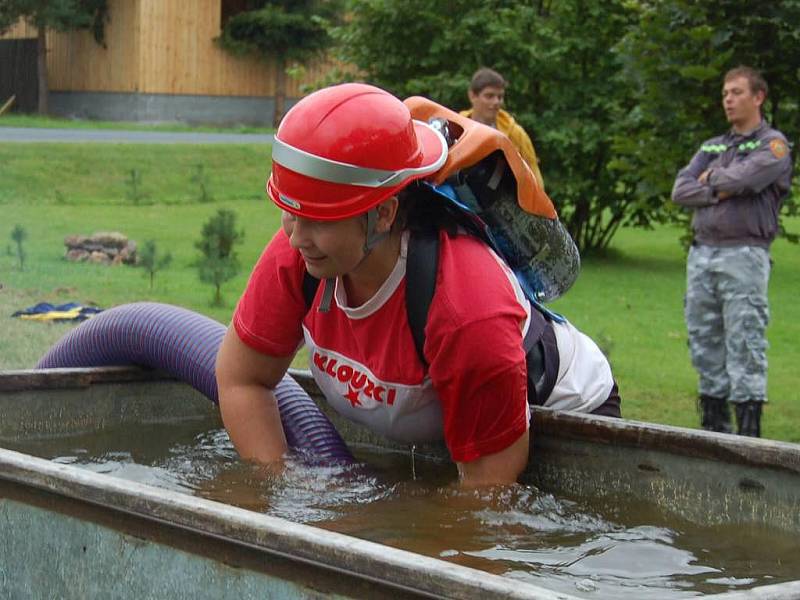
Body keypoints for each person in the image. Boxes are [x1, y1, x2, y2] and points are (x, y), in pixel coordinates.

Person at [216, 83, 620, 487]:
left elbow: (486, 498)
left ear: (386, 214)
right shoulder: (302, 256)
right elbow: (242, 379)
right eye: (289, 211)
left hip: (560, 417)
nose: (296, 238)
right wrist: (276, 489)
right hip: (450, 428)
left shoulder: (465, 307)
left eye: (321, 219)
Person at [671, 66, 793, 438]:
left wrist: (713, 181)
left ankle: (748, 437)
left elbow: (747, 177)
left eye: (737, 92)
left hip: (744, 255)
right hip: (702, 255)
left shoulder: (773, 145)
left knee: (745, 340)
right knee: (704, 339)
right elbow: (680, 190)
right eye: (725, 92)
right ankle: (714, 429)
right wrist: (721, 188)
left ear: (759, 97)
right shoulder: (712, 146)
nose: (728, 99)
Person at [460, 67, 545, 189]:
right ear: (472, 96)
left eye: (500, 97)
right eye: (489, 96)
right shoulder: (458, 127)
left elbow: (534, 176)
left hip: (503, 199)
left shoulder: (516, 134)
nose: (496, 102)